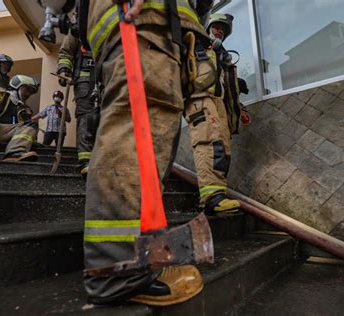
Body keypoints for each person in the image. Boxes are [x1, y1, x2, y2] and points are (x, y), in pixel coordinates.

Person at [81, 0, 239, 307]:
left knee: (155, 131)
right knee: (135, 127)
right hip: (140, 18)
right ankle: (116, 267)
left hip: (164, 25)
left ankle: (137, 253)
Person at [57, 32, 100, 176]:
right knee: (88, 117)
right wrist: (64, 69)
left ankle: (103, 159)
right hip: (85, 80)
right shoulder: (79, 26)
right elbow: (66, 51)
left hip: (108, 79)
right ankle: (85, 161)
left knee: (109, 117)